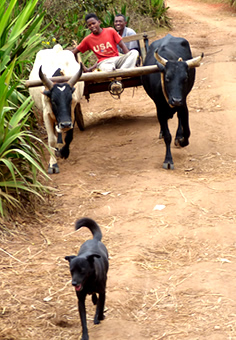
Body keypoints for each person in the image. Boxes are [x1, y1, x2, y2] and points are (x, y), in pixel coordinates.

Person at [72, 13, 139, 73]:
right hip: (104, 63)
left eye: (93, 23)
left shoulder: (110, 31)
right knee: (108, 69)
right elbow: (73, 52)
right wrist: (80, 67)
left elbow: (122, 45)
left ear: (99, 22)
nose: (92, 26)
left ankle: (120, 73)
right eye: (89, 25)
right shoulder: (88, 39)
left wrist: (129, 59)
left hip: (117, 59)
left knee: (134, 53)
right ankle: (121, 73)